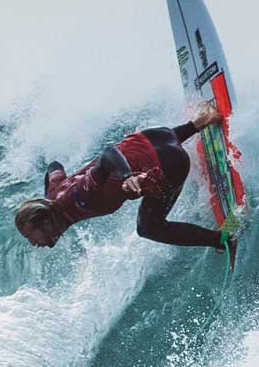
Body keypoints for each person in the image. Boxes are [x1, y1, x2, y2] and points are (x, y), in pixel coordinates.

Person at [14, 101, 233, 255]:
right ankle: (201, 120)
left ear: (44, 222)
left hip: (172, 163)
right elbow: (54, 166)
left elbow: (108, 155)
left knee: (148, 227)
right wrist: (46, 196)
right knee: (137, 154)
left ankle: (224, 241)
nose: (34, 244)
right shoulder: (54, 192)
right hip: (157, 136)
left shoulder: (79, 198)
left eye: (30, 236)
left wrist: (127, 177)